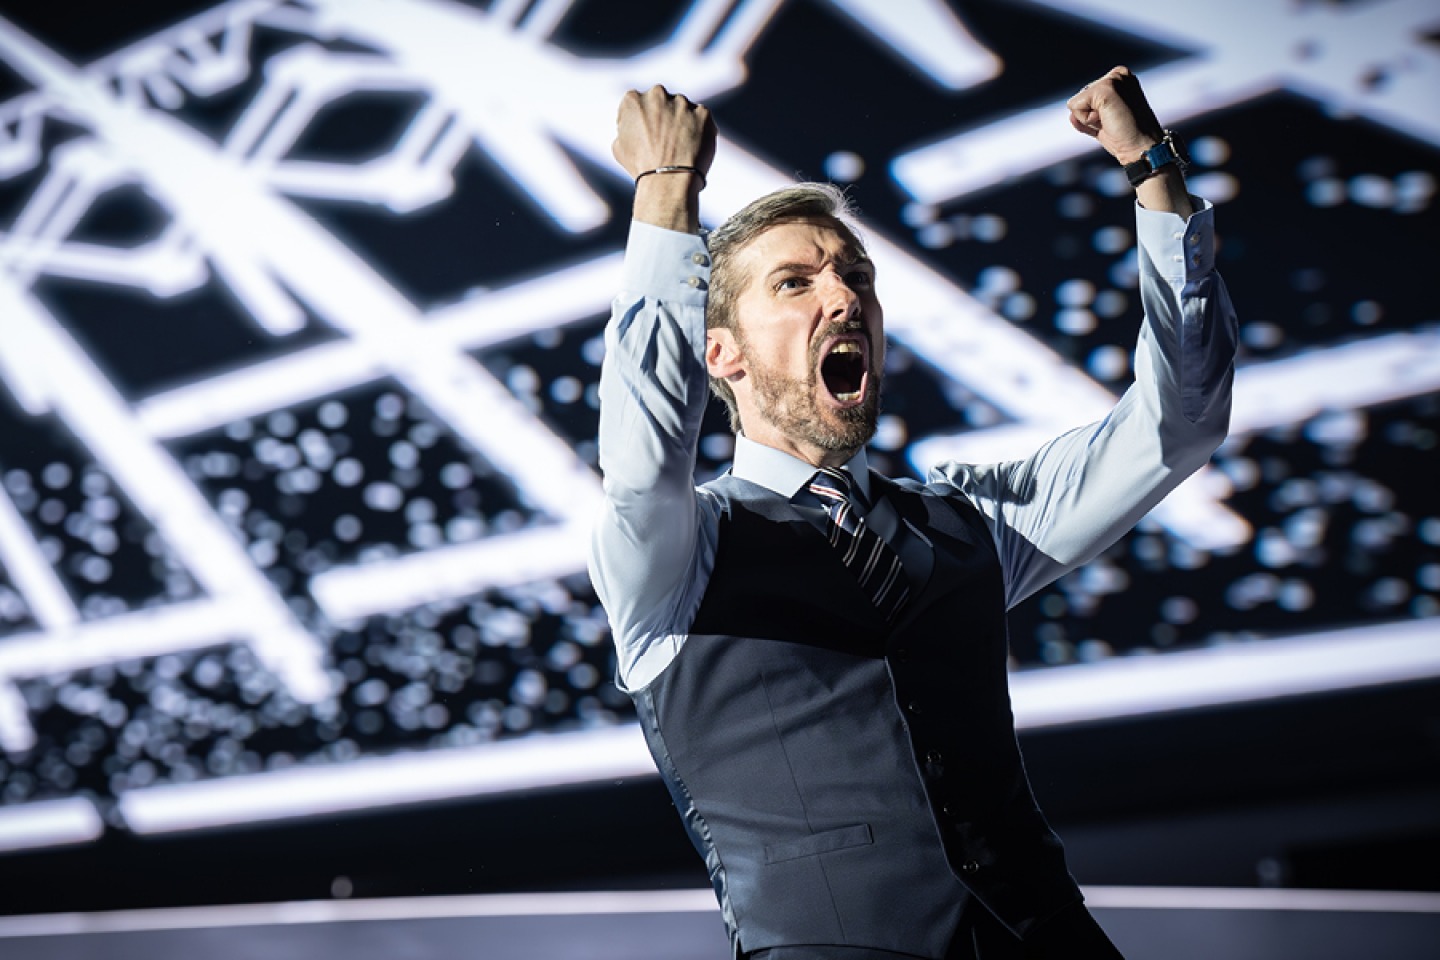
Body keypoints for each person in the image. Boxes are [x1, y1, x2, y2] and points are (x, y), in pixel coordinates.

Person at [589, 68, 1237, 959]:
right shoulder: (676, 553)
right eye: (795, 284)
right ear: (722, 357)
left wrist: (1152, 170)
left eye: (855, 275)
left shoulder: (971, 524)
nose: (844, 296)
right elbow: (641, 452)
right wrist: (667, 190)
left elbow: (1180, 421)